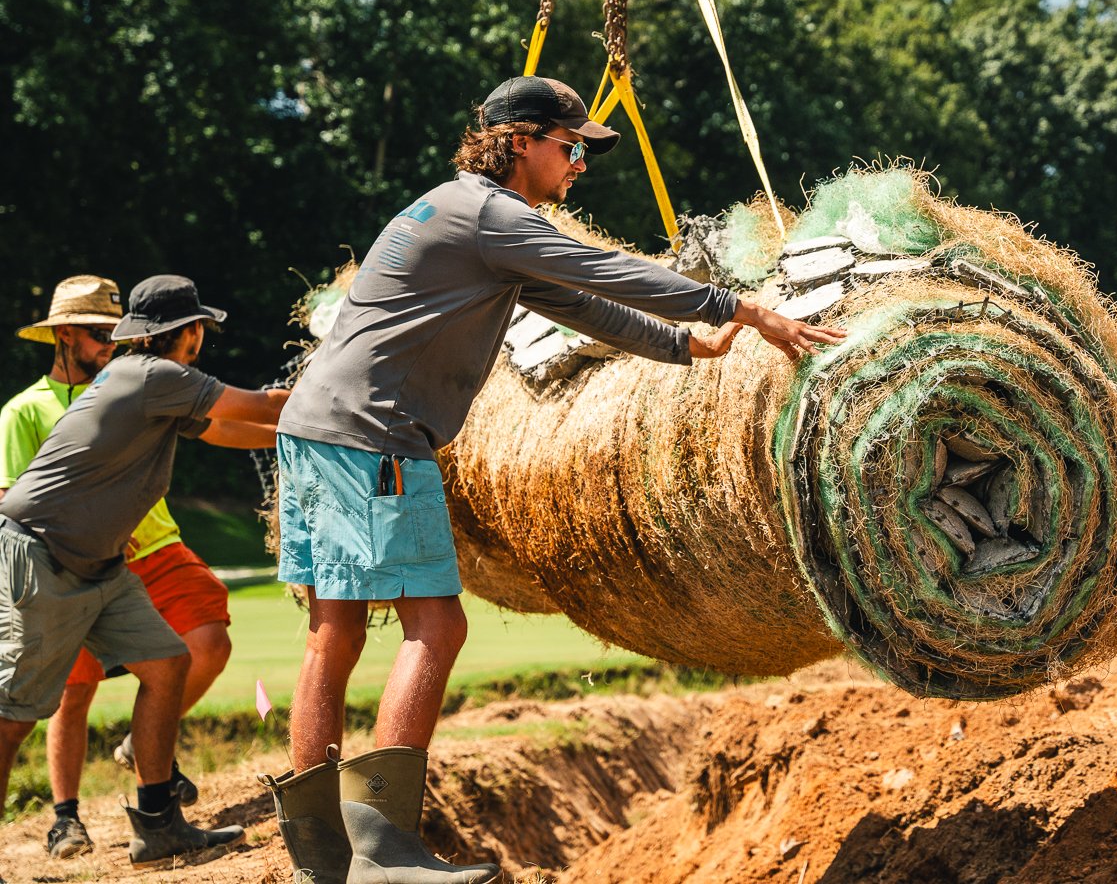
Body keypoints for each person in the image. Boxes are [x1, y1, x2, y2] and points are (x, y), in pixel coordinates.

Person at [264, 74, 846, 883]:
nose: (579, 164)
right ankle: (384, 847)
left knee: (338, 632)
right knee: (438, 625)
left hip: (317, 429)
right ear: (521, 141)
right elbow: (603, 270)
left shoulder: (453, 209)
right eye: (571, 147)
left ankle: (320, 856)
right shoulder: (493, 215)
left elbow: (581, 304)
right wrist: (742, 311)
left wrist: (682, 348)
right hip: (378, 438)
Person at [0, 275, 287, 865]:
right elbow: (262, 405)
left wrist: (294, 430)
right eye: (201, 327)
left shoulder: (144, 382)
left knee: (167, 663)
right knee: (16, 714)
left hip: (99, 563)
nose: (202, 336)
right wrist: (332, 397)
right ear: (189, 333)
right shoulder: (157, 377)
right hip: (46, 555)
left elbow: (231, 428)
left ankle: (156, 825)